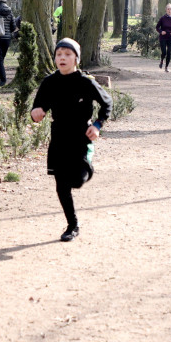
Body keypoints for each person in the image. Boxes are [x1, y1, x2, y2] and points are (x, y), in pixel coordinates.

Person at [30, 38, 112, 242]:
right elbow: (37, 108)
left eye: (67, 54)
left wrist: (98, 124)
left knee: (77, 180)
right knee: (61, 185)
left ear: (76, 58)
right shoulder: (49, 82)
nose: (62, 58)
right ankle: (72, 225)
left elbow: (106, 103)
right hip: (58, 136)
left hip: (81, 136)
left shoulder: (86, 82)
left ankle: (88, 163)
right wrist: (36, 113)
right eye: (59, 54)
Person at [155, 3, 171, 71]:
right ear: (166, 10)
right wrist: (161, 32)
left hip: (170, 37)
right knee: (164, 52)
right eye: (168, 9)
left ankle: (166, 67)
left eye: (170, 9)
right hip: (163, 37)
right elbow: (157, 27)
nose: (169, 10)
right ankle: (162, 60)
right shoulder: (162, 18)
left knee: (169, 52)